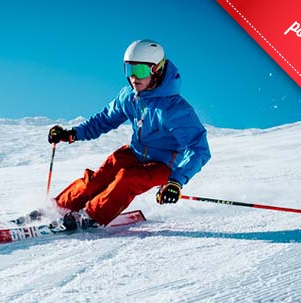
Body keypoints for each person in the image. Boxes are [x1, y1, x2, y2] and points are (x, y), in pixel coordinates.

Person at [47, 39, 211, 230]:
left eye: (140, 70)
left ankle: (91, 216)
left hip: (164, 165)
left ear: (156, 70)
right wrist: (72, 133)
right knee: (100, 178)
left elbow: (198, 149)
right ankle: (56, 208)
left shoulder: (174, 109)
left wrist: (176, 181)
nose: (133, 77)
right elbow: (104, 119)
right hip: (134, 152)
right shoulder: (129, 96)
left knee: (127, 178)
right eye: (128, 70)